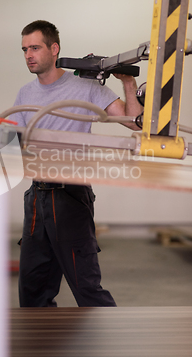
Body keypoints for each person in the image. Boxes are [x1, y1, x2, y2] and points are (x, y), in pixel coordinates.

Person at [10, 20, 142, 308]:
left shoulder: (85, 87)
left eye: (34, 47)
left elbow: (133, 122)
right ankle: (41, 349)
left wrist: (128, 83)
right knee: (32, 291)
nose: (28, 55)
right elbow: (15, 143)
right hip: (36, 197)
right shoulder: (25, 94)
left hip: (69, 194)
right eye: (24, 50)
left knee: (87, 289)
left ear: (54, 49)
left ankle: (110, 350)